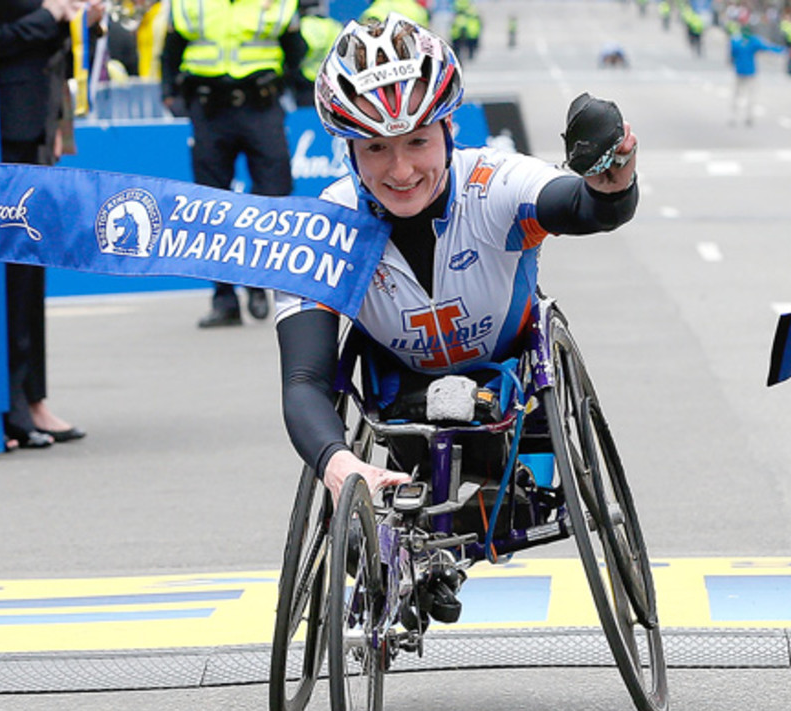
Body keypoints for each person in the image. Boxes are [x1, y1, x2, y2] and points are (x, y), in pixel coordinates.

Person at [272, 11, 640, 609]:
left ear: (448, 129)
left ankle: (497, 495)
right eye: (376, 148)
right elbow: (305, 381)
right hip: (399, 391)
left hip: (509, 376)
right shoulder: (320, 232)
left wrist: (611, 181)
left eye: (417, 141)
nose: (401, 170)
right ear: (347, 149)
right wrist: (338, 467)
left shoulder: (494, 182)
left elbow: (583, 207)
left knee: (496, 441)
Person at [161, 0, 307, 328]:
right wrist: (169, 93)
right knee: (211, 206)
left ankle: (257, 280)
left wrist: (284, 82)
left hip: (261, 105)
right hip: (209, 108)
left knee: (274, 194)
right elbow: (172, 48)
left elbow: (296, 48)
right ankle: (224, 299)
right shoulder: (189, 4)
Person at [0, 0, 96, 449]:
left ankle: (32, 398)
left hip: (36, 126)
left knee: (31, 269)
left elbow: (56, 55)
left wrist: (82, 21)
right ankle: (6, 405)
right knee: (10, 275)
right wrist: (50, 15)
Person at [728, 23, 784, 126]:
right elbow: (768, 47)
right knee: (750, 95)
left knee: (738, 95)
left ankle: (734, 116)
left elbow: (731, 55)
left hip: (739, 70)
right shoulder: (753, 41)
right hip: (750, 71)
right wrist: (782, 50)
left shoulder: (736, 41)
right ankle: (749, 117)